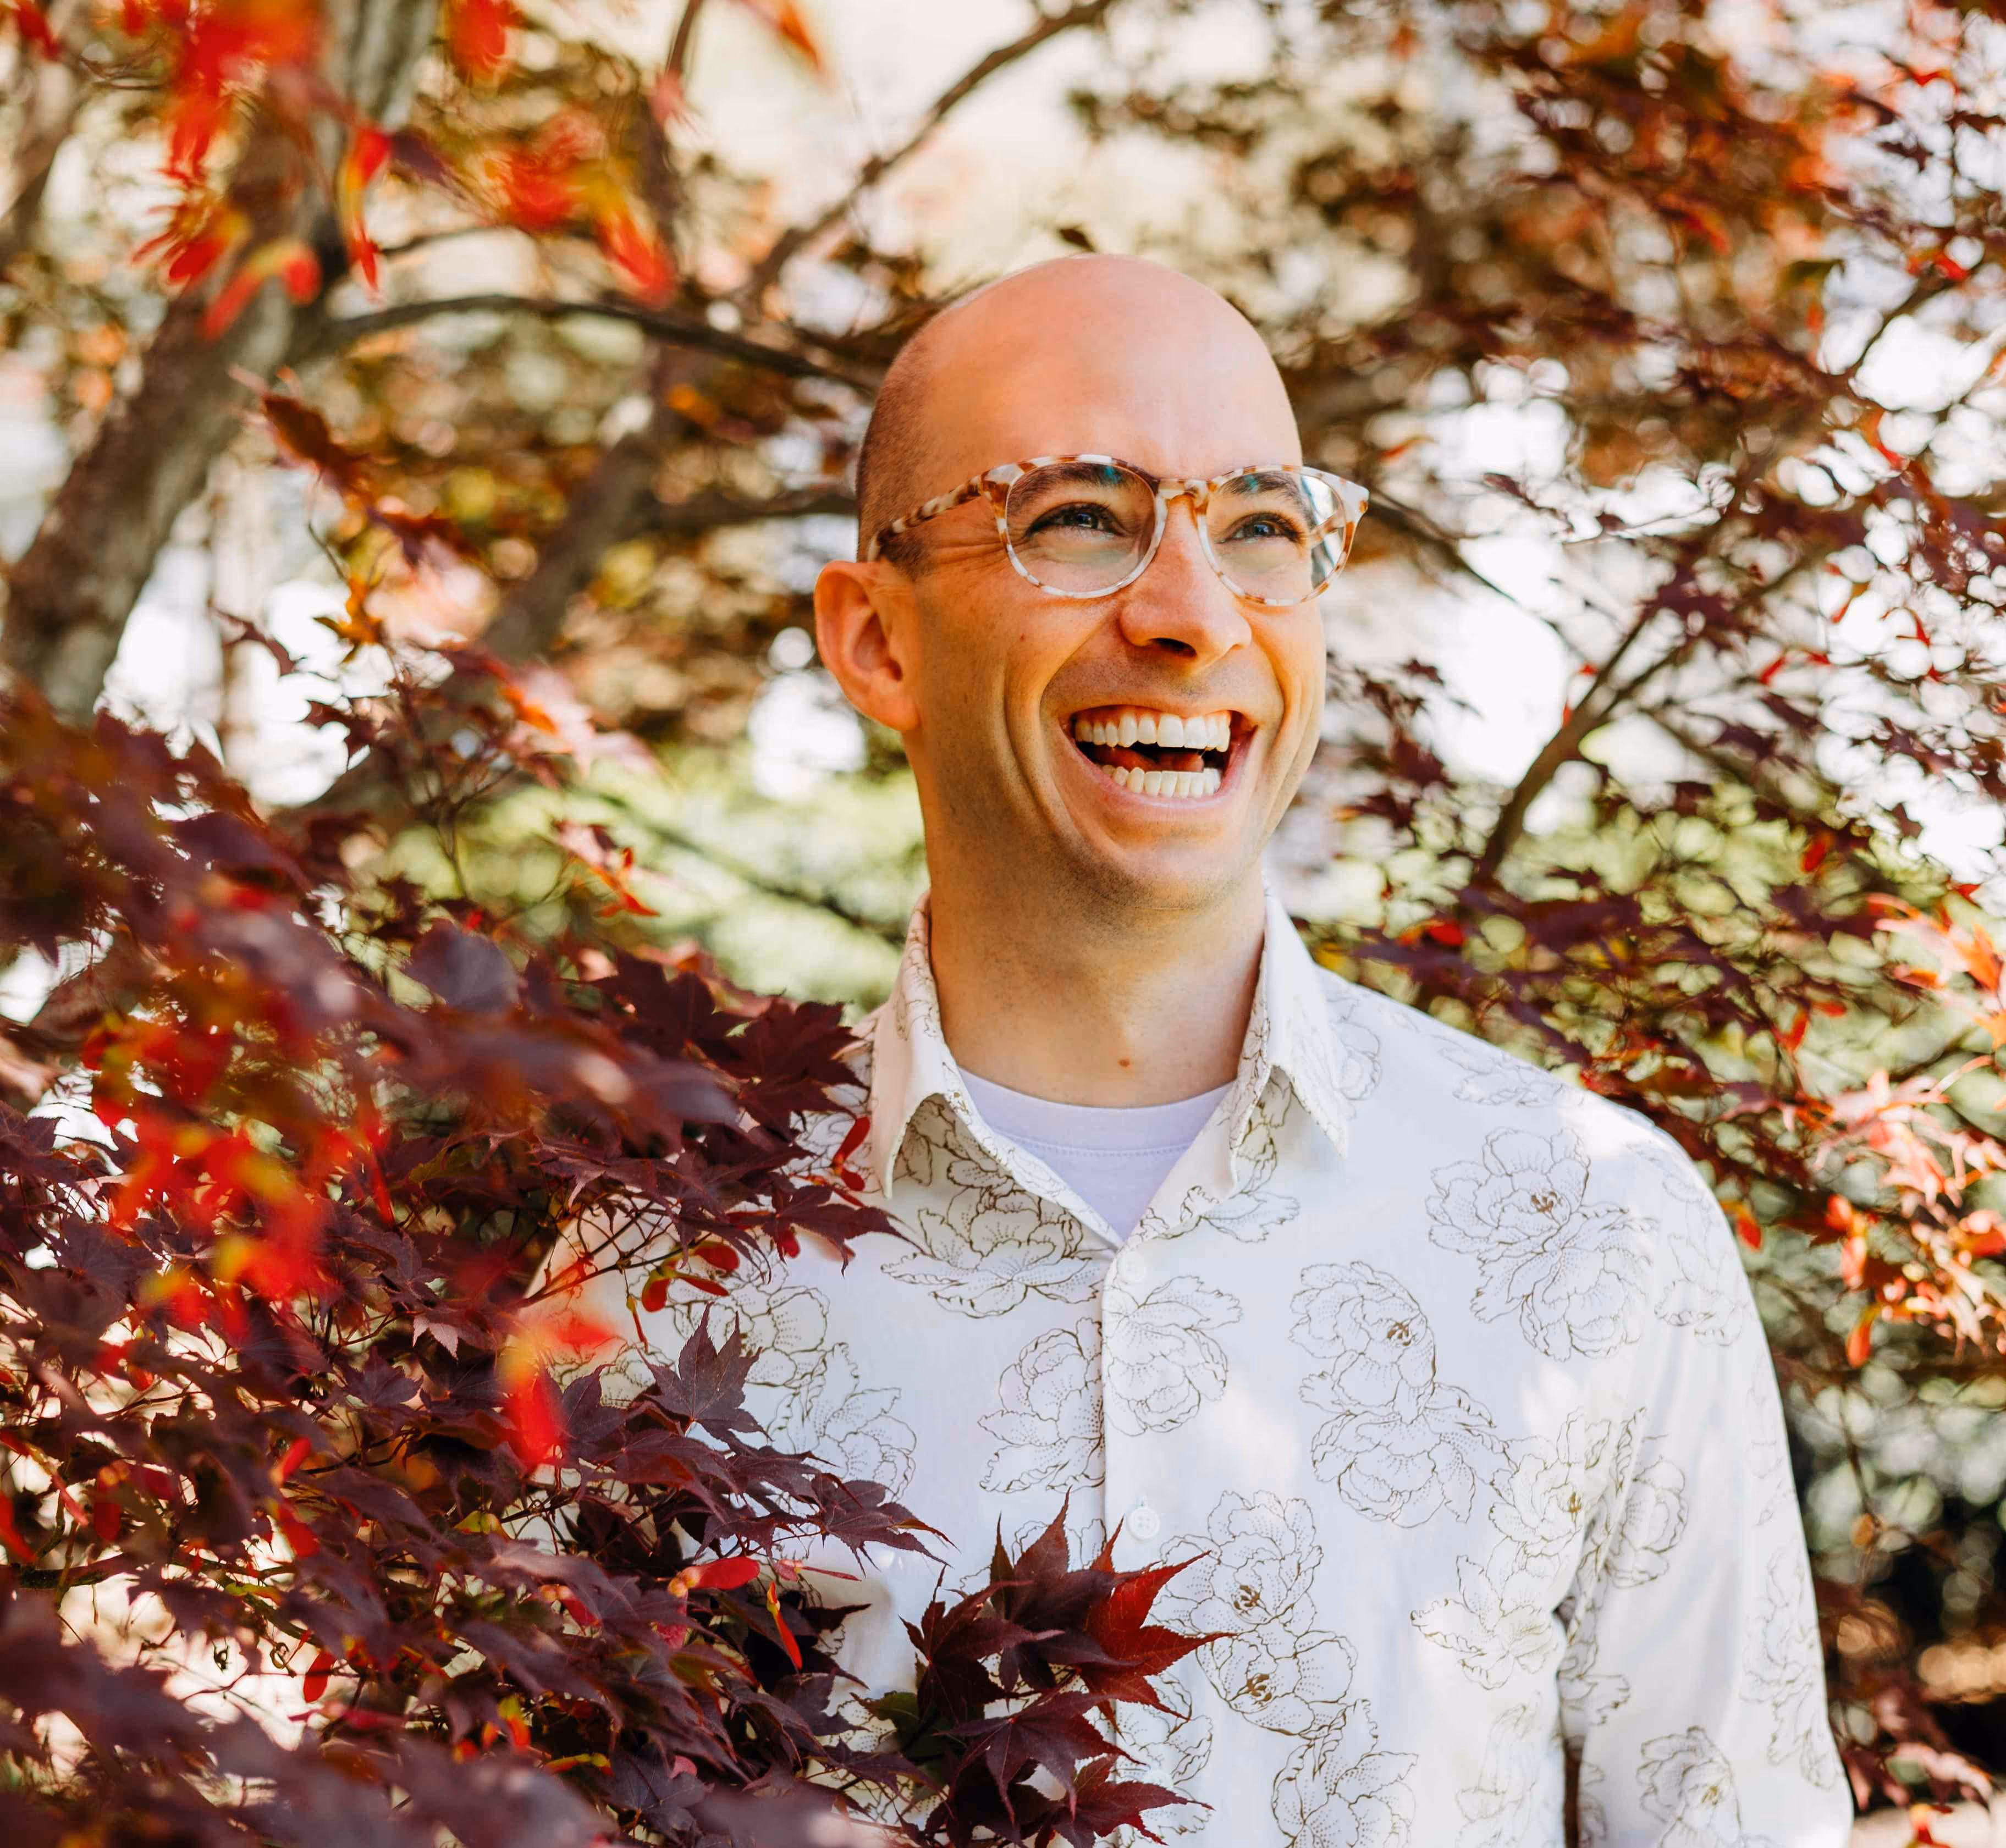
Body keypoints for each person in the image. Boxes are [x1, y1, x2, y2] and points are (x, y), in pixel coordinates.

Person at [586, 255, 1853, 1844]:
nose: (1193, 613)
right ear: (877, 643)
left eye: (1262, 528)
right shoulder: (659, 1265)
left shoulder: (1588, 1228)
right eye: (1076, 519)